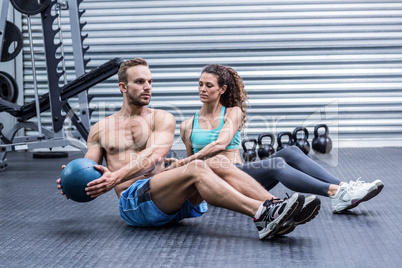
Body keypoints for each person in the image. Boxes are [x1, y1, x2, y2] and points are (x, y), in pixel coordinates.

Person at [56, 58, 312, 240]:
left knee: (215, 163)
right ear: (123, 87)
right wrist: (75, 182)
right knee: (199, 165)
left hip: (171, 197)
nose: (147, 87)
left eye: (150, 81)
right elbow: (91, 168)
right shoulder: (101, 128)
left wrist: (114, 176)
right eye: (139, 82)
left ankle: (277, 208)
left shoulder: (162, 118)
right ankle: (262, 214)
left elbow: (153, 155)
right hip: (134, 203)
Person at [167, 63, 384, 234]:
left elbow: (221, 144)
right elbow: (193, 170)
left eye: (209, 85)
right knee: (277, 163)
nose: (202, 89)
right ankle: (336, 193)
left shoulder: (232, 112)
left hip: (242, 176)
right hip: (218, 182)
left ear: (222, 89)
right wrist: (185, 166)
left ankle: (344, 188)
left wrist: (184, 162)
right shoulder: (188, 125)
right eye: (200, 84)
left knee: (289, 151)